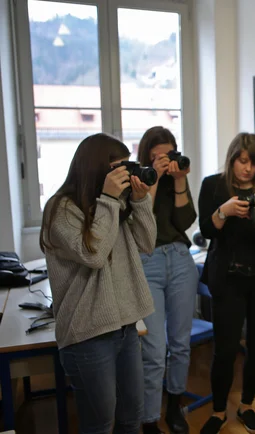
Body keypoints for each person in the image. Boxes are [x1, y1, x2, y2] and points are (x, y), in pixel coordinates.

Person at [40, 133, 156, 434]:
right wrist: (108, 200)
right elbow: (92, 254)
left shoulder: (115, 205)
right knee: (100, 425)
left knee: (132, 417)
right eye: (117, 168)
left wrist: (140, 200)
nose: (125, 175)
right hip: (87, 334)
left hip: (125, 328)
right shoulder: (60, 209)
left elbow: (147, 243)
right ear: (95, 169)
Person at [198, 133, 255, 434]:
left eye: (254, 163)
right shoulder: (213, 185)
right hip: (228, 280)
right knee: (225, 350)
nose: (248, 169)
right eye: (243, 161)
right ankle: (219, 410)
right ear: (232, 158)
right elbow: (207, 230)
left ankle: (247, 405)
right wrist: (225, 211)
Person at [137, 127, 199, 434]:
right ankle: (149, 419)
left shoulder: (176, 180)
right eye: (157, 156)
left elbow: (186, 221)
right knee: (153, 348)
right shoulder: (136, 182)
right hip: (147, 262)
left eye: (169, 154)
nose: (164, 160)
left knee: (180, 343)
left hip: (180, 260)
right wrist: (154, 178)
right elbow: (140, 221)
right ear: (147, 156)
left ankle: (175, 406)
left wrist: (179, 178)